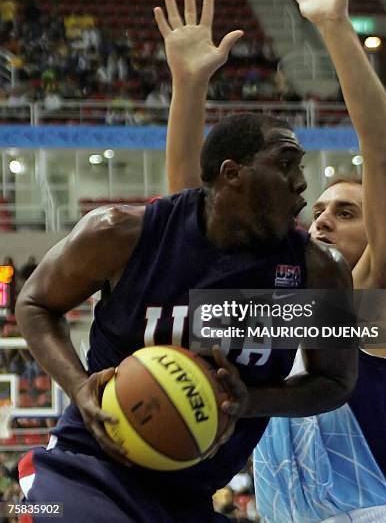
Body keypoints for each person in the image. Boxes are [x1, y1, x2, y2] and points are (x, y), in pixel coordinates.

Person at [15, 61, 357, 520]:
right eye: (285, 165)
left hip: (187, 498)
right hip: (87, 469)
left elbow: (334, 382)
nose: (301, 184)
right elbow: (34, 303)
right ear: (232, 173)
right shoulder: (121, 233)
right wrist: (79, 388)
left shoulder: (316, 272)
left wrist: (250, 401)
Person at [161, 0, 386, 523]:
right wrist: (189, 84)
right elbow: (191, 210)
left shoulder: (380, 310)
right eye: (321, 209)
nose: (323, 218)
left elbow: (384, 159)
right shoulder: (281, 308)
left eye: (347, 212)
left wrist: (334, 28)